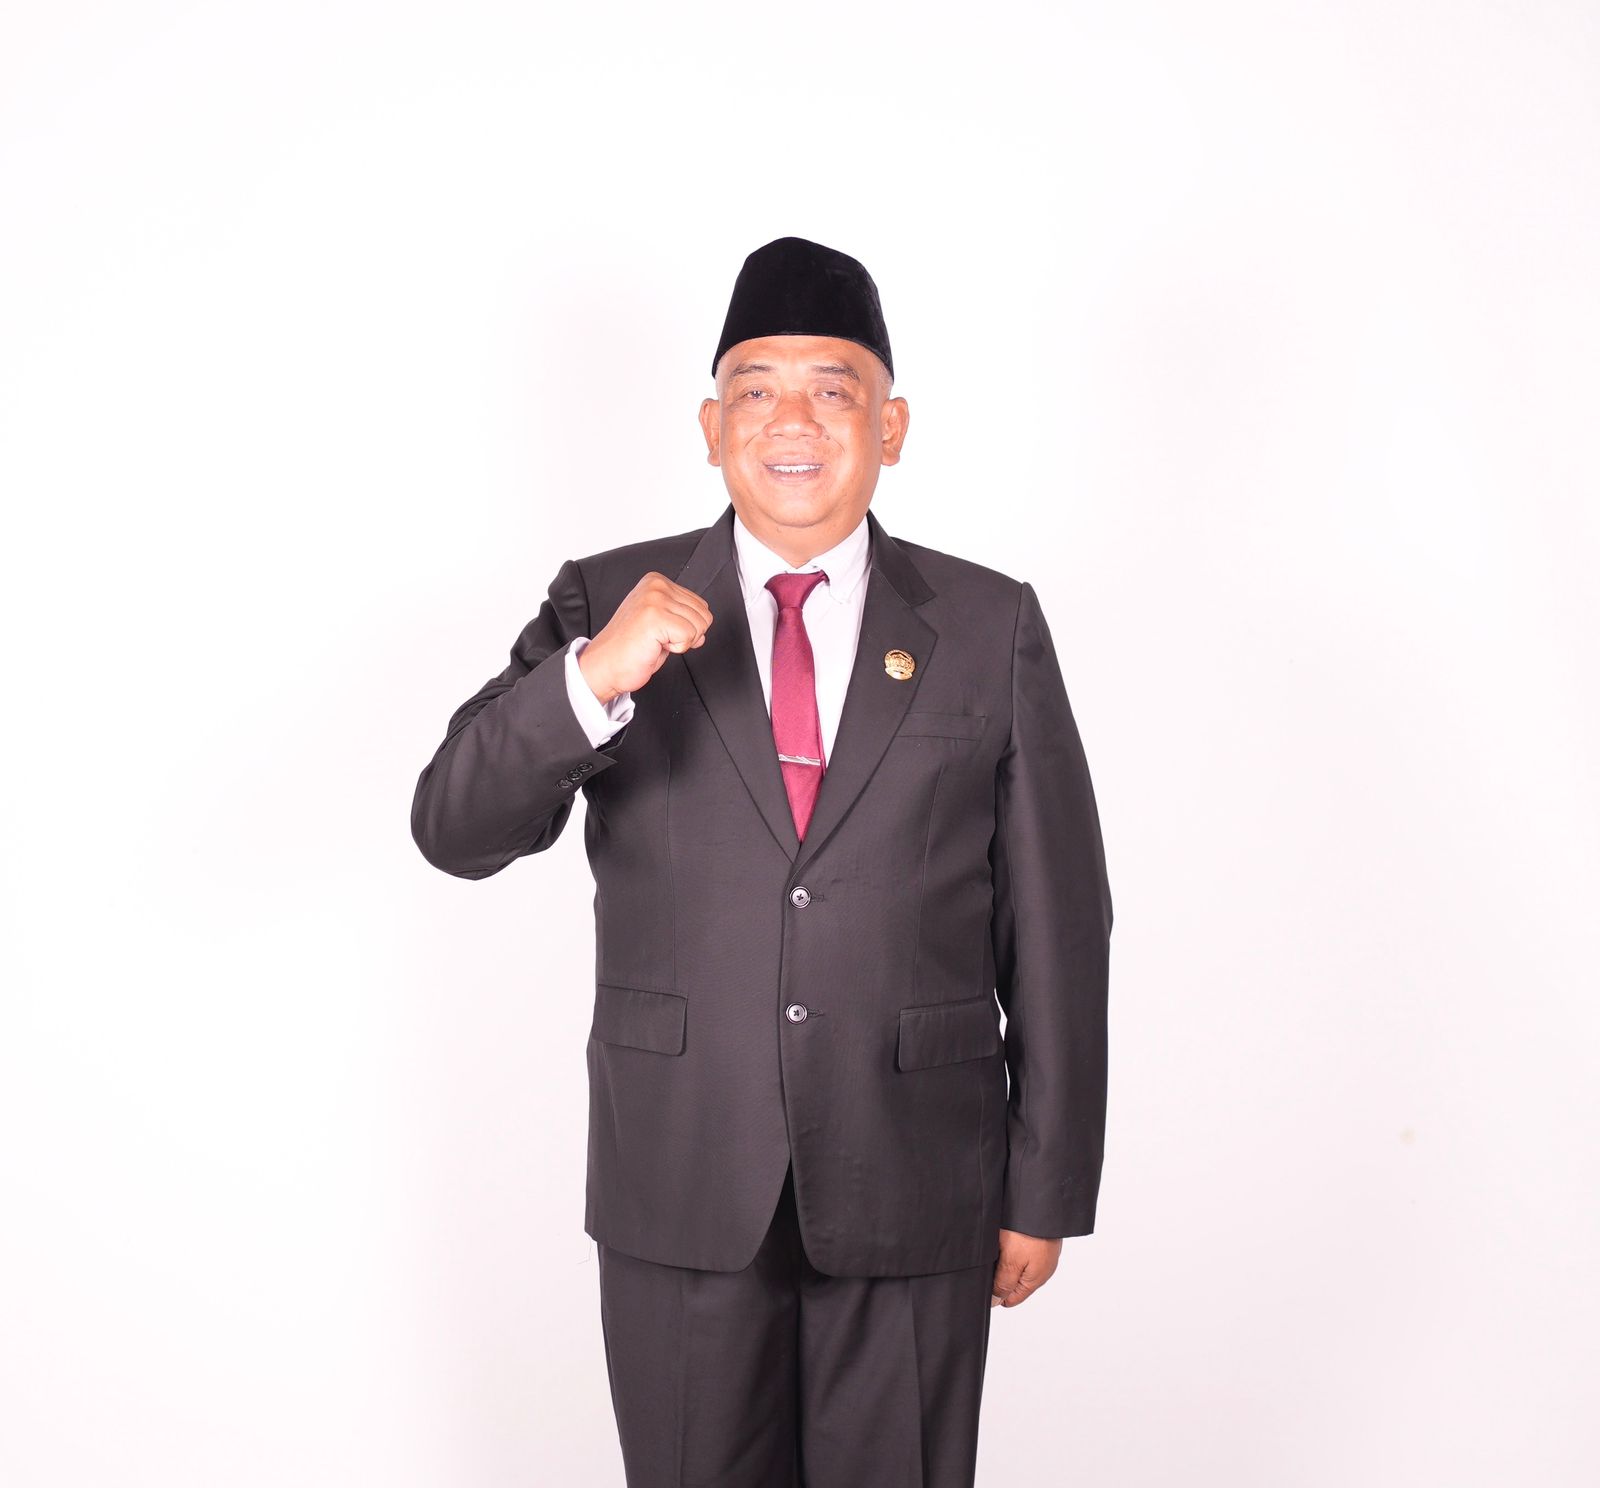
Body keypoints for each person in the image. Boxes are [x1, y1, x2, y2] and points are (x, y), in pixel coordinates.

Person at [410, 235, 1113, 1487]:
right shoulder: (602, 602)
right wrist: (590, 681)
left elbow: (1056, 924)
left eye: (832, 390)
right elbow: (453, 829)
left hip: (918, 1173)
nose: (792, 421)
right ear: (710, 426)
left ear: (889, 427)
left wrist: (1044, 1181)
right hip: (680, 1171)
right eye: (755, 391)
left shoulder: (987, 623)